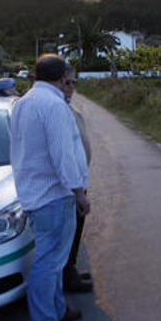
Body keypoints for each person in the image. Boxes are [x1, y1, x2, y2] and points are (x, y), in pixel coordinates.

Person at [10, 54, 89, 321]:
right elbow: (62, 156)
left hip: (35, 194)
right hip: (54, 197)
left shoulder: (22, 103)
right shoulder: (54, 105)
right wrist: (79, 192)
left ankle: (56, 310)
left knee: (52, 261)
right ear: (60, 77)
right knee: (48, 262)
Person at [61, 64, 94, 293]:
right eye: (67, 83)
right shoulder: (56, 110)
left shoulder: (71, 109)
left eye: (74, 83)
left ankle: (70, 269)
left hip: (78, 183)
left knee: (75, 229)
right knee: (66, 235)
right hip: (68, 187)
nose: (72, 87)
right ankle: (67, 275)